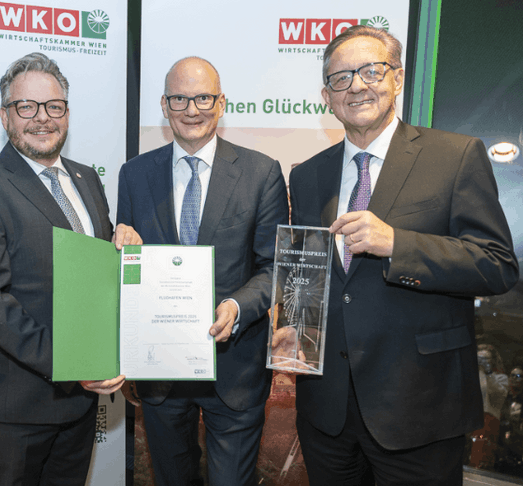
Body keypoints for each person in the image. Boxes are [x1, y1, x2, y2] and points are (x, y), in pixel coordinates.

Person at [288, 25, 519, 484]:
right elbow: (311, 277)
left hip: (419, 407)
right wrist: (295, 326)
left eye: (371, 71)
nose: (357, 86)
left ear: (397, 78)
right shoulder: (307, 174)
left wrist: (398, 243)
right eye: (341, 78)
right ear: (327, 97)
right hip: (326, 412)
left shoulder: (455, 156)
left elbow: (497, 265)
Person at [0, 52, 142, 486]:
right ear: (5, 116)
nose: (42, 118)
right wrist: (70, 363)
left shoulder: (87, 179)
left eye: (54, 106)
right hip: (15, 405)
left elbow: (94, 275)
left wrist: (124, 247)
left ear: (67, 114)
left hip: (81, 400)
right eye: (26, 107)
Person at [117, 56, 289, 486]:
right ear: (164, 104)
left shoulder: (262, 172)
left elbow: (274, 266)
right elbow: (128, 268)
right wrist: (120, 252)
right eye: (179, 99)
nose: (191, 109)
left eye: (203, 98)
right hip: (160, 371)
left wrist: (237, 306)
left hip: (235, 368)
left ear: (221, 102)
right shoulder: (134, 174)